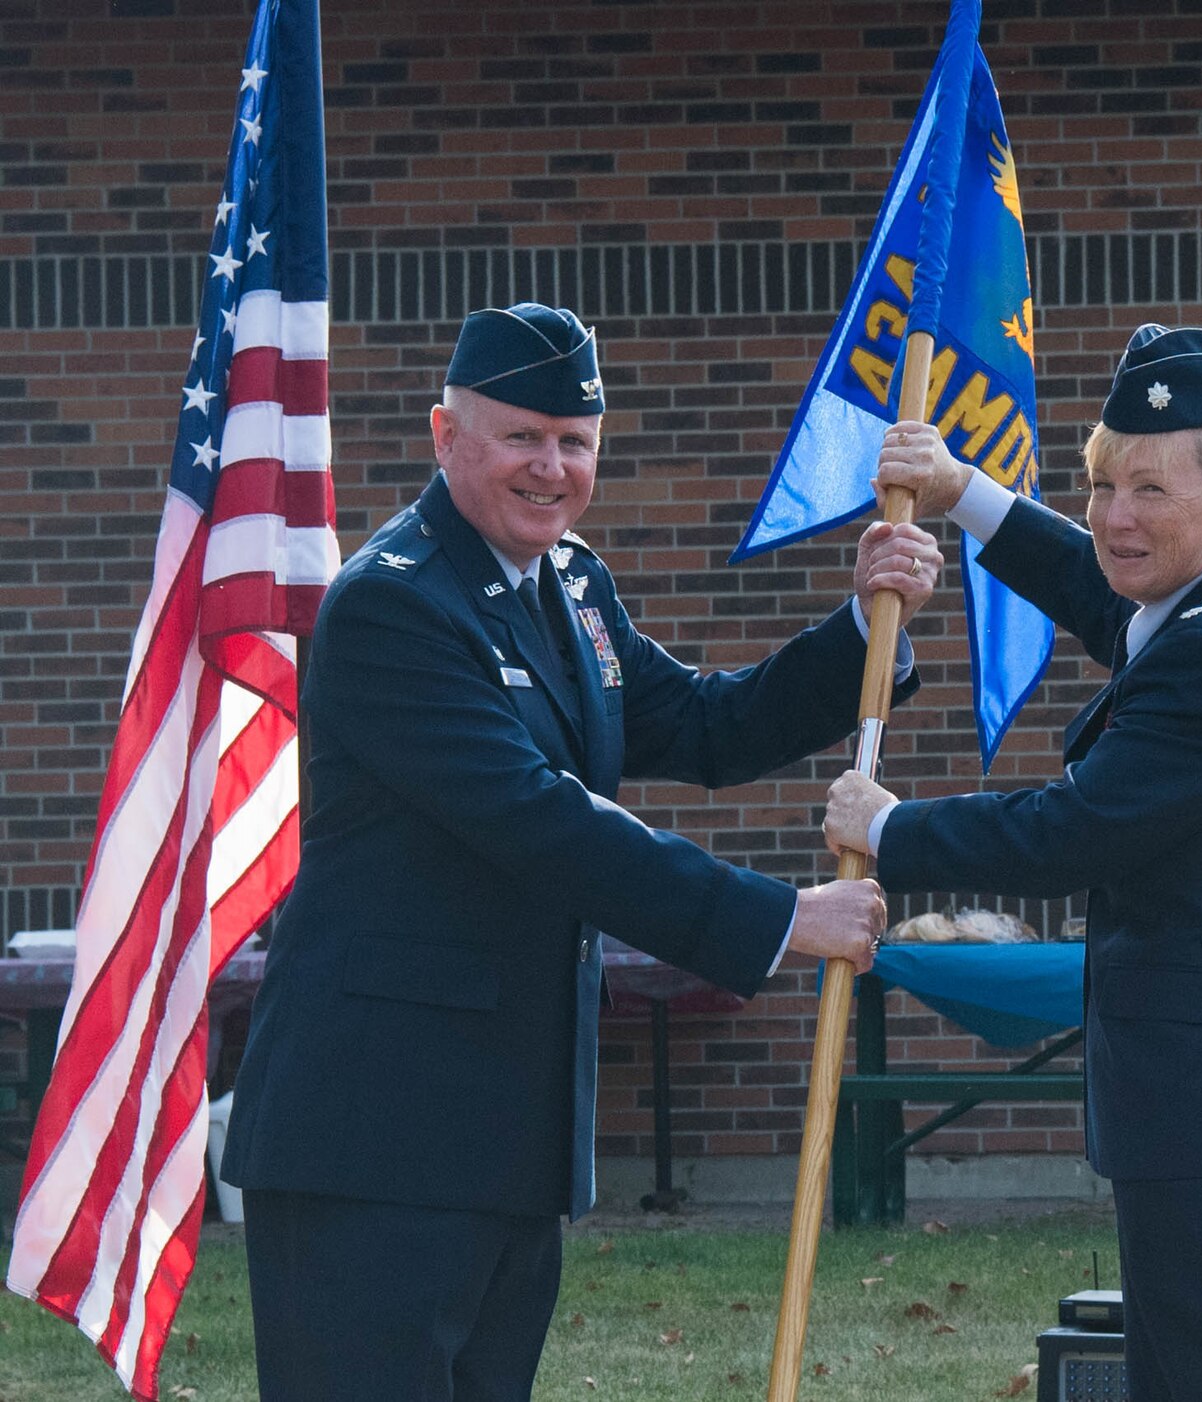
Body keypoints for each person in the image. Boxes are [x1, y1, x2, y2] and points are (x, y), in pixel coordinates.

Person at [221, 302, 944, 1401]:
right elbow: (540, 822)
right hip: (374, 1149)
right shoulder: (391, 607)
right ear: (444, 435)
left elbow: (706, 724)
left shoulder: (569, 586)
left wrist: (861, 629)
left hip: (506, 1146)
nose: (549, 466)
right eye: (520, 435)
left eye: (573, 441)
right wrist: (777, 919)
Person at [823, 325, 1202, 1402]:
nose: (1117, 516)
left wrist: (889, 828)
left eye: (1150, 489)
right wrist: (961, 489)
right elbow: (1103, 589)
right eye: (1102, 483)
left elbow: (1069, 832)